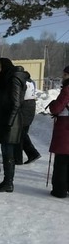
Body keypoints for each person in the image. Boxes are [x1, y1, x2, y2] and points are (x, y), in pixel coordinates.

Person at [0, 58, 26, 193]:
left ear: (4, 67)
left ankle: (8, 183)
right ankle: (7, 181)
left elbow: (16, 103)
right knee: (7, 153)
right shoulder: (7, 79)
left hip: (11, 123)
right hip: (6, 121)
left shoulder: (13, 79)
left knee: (8, 154)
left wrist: (8, 123)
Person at [47, 65, 69, 198]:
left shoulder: (67, 90)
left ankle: (59, 189)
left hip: (65, 128)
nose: (63, 77)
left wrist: (52, 105)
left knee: (62, 161)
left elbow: (56, 108)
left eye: (65, 75)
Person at [14, 72, 41, 165]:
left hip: (24, 108)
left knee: (19, 135)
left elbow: (19, 97)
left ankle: (27, 155)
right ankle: (31, 154)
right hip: (30, 107)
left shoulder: (22, 83)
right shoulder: (31, 82)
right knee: (23, 134)